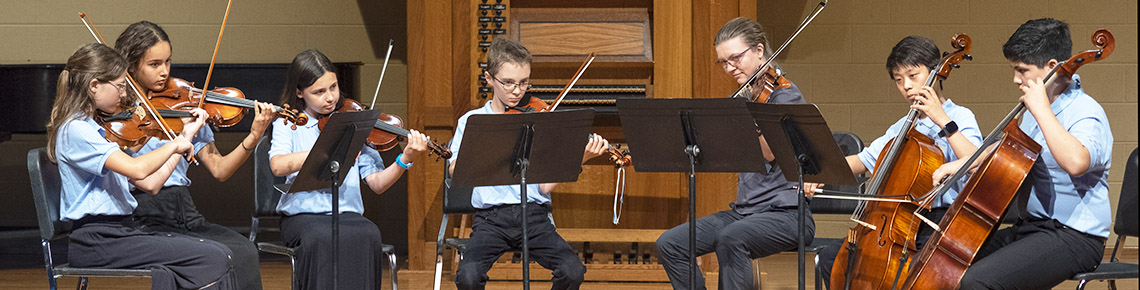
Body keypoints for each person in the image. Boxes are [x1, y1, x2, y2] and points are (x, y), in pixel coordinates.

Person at [47, 42, 235, 290]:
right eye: (120, 86)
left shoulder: (96, 129)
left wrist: (187, 135)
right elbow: (138, 169)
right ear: (94, 86)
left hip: (121, 233)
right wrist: (174, 145)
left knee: (208, 257)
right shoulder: (76, 130)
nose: (125, 95)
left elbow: (151, 183)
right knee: (214, 258)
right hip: (98, 240)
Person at [946, 18, 1112, 289]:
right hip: (1031, 228)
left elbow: (1077, 162)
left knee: (979, 283)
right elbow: (1008, 151)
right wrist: (962, 165)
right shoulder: (1033, 112)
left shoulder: (1086, 111)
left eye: (1022, 70)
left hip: (1075, 236)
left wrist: (1042, 109)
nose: (1015, 79)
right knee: (949, 265)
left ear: (1051, 67)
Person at [806, 35, 983, 289]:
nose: (906, 86)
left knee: (903, 274)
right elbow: (862, 160)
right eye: (899, 80)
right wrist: (822, 173)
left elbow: (975, 160)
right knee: (833, 259)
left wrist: (942, 120)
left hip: (941, 223)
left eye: (913, 76)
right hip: (900, 223)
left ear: (936, 73)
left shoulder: (959, 116)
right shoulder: (901, 127)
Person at [113, 20, 275, 290]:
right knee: (209, 258)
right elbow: (130, 170)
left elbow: (220, 170)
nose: (164, 72)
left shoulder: (184, 108)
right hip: (143, 215)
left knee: (244, 250)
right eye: (154, 64)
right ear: (130, 66)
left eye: (167, 62)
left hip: (185, 211)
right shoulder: (119, 116)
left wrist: (253, 136)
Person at [653, 17, 811, 290]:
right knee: (670, 244)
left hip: (786, 214)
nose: (729, 68)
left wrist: (747, 116)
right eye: (723, 62)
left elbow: (771, 154)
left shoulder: (785, 97)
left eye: (735, 58)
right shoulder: (748, 95)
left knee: (731, 237)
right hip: (744, 213)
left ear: (759, 51)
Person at [449, 37, 609, 290]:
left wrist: (581, 158)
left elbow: (544, 187)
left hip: (534, 217)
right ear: (489, 78)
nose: (517, 91)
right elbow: (455, 170)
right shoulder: (473, 121)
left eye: (524, 82)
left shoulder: (541, 120)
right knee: (468, 276)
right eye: (509, 83)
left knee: (572, 270)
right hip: (491, 220)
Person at [269, 49, 430, 290]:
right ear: (299, 92)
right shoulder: (287, 123)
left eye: (333, 87)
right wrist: (327, 150)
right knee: (320, 238)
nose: (330, 98)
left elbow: (377, 183)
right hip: (303, 218)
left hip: (348, 215)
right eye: (319, 92)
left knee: (370, 233)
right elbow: (278, 165)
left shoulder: (355, 123)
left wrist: (404, 158)